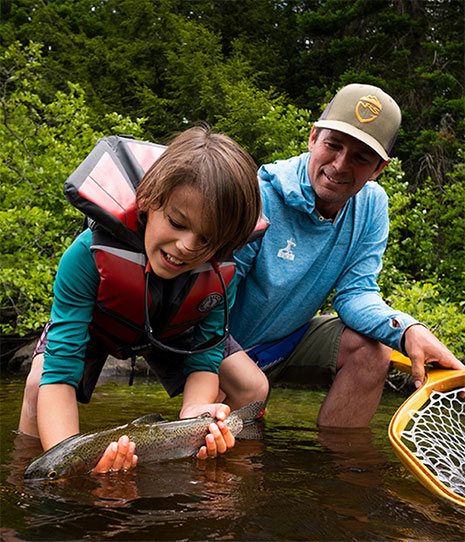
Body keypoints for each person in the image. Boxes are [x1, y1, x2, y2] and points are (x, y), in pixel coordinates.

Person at [18, 125, 269, 473]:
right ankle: (32, 475)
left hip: (176, 331)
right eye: (177, 222)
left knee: (253, 385)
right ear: (149, 200)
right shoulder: (86, 257)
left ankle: (223, 485)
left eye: (208, 240)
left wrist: (196, 411)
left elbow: (206, 358)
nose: (187, 246)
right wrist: (73, 461)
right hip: (101, 324)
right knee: (38, 383)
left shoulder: (221, 274)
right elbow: (60, 373)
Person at [219, 83, 465, 428]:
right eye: (333, 145)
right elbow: (214, 298)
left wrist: (407, 329)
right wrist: (224, 368)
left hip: (286, 341)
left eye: (360, 157)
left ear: (379, 168)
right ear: (313, 137)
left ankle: (342, 468)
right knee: (226, 463)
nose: (339, 165)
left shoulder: (372, 207)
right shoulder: (259, 194)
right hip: (222, 342)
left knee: (371, 350)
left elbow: (356, 294)